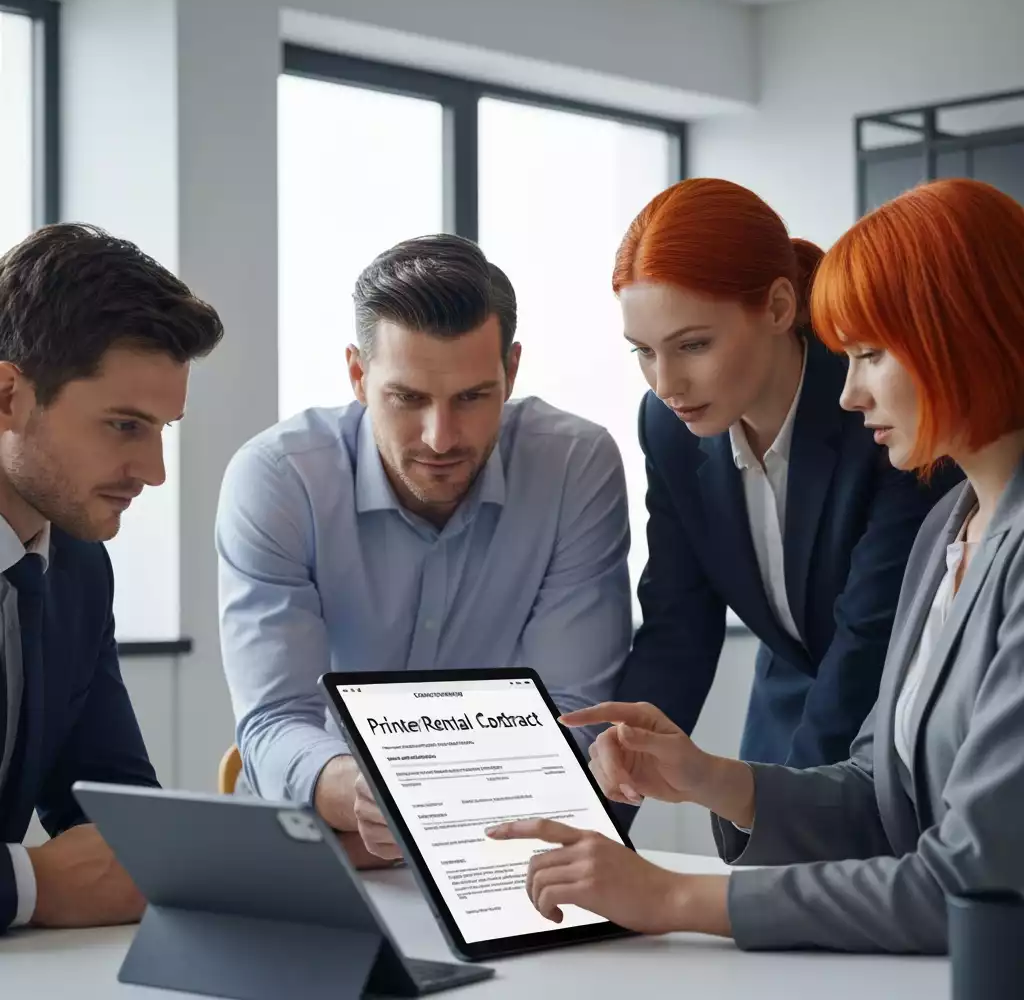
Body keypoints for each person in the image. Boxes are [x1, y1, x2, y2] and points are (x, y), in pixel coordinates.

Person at [487, 177, 1024, 953]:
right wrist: (689, 781)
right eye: (644, 353)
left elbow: (967, 881)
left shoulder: (927, 488)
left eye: (870, 354)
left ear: (964, 338)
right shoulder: (952, 525)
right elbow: (879, 795)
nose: (851, 393)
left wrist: (671, 895)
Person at [217, 234, 632, 867]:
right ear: (358, 375)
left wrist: (439, 814)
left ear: (512, 371)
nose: (441, 438)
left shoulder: (575, 466)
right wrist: (356, 795)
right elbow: (273, 721)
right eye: (408, 398)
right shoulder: (278, 479)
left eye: (472, 397)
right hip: (318, 848)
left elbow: (575, 715)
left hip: (501, 855)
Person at [613, 177, 961, 770]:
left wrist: (782, 808)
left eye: (693, 345)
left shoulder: (878, 410)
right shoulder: (668, 427)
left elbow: (870, 638)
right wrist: (606, 789)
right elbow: (677, 623)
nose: (666, 384)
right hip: (783, 718)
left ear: (778, 307)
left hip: (905, 730)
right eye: (643, 351)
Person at [0, 224, 224, 933]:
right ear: (7, 397)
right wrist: (27, 885)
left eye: (162, 429)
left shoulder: (78, 565)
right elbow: (63, 877)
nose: (154, 472)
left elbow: (115, 810)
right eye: (125, 426)